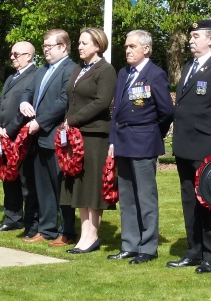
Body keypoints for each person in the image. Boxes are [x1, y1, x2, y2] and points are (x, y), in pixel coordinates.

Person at [167, 19, 211, 274]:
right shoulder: (188, 67)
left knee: (208, 202)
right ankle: (194, 251)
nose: (191, 39)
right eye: (191, 35)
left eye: (196, 36)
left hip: (207, 147)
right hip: (186, 146)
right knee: (189, 201)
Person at [107, 30, 174, 264]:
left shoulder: (155, 74)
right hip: (123, 141)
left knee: (145, 197)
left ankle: (148, 247)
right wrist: (113, 141)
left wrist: (153, 133)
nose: (127, 50)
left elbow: (166, 111)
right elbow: (116, 111)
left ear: (146, 49)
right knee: (126, 197)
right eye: (126, 46)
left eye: (132, 46)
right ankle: (129, 244)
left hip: (144, 142)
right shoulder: (123, 73)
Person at [60, 28, 117, 254]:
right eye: (79, 42)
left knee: (93, 187)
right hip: (76, 135)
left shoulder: (106, 70)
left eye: (85, 43)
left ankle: (92, 236)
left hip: (95, 136)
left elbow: (101, 102)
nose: (80, 46)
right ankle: (84, 234)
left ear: (98, 45)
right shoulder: (78, 69)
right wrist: (67, 123)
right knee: (80, 186)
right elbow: (71, 99)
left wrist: (72, 120)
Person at [19, 29, 76, 244]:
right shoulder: (43, 70)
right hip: (39, 138)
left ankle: (67, 231)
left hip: (57, 137)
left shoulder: (70, 69)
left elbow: (63, 102)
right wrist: (24, 102)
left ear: (63, 47)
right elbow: (28, 91)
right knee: (43, 186)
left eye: (49, 46)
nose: (45, 50)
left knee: (62, 186)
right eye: (43, 46)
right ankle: (46, 229)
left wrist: (40, 121)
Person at [0, 41, 38, 235]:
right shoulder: (10, 78)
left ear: (29, 56)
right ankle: (12, 218)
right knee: (8, 178)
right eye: (11, 53)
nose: (12, 57)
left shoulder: (35, 76)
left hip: (22, 139)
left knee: (26, 181)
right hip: (5, 136)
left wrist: (9, 130)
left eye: (16, 54)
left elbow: (27, 109)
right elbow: (1, 105)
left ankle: (31, 222)